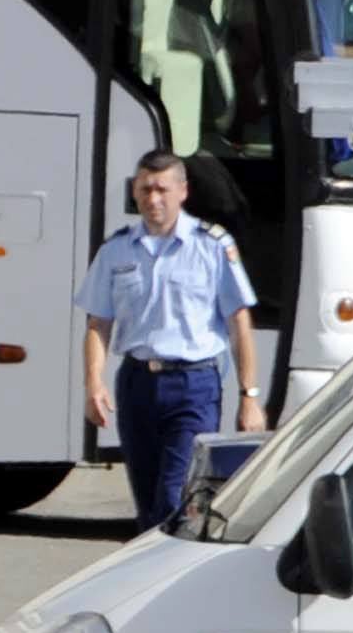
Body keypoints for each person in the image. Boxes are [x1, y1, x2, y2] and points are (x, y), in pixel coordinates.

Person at [79, 150, 264, 534]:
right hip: (137, 384)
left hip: (193, 386)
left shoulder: (211, 246)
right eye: (145, 189)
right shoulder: (116, 249)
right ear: (134, 192)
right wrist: (93, 383)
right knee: (147, 502)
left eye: (162, 189)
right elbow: (98, 323)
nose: (153, 199)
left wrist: (250, 395)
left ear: (183, 191)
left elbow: (239, 322)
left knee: (173, 496)